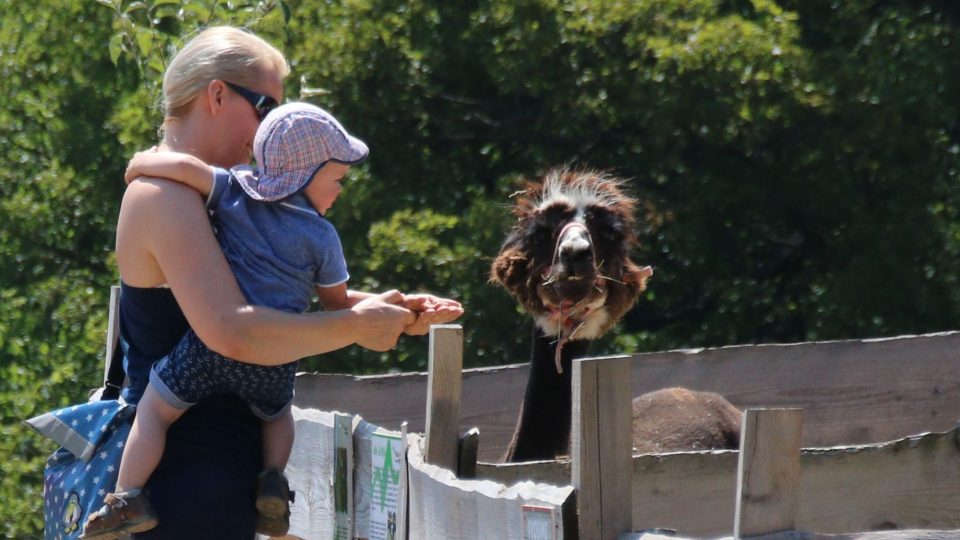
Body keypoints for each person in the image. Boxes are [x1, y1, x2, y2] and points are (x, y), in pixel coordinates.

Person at [83, 26, 461, 539]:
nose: (269, 130)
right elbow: (233, 332)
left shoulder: (225, 197)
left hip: (212, 481)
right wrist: (354, 325)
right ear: (217, 94)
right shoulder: (164, 196)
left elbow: (279, 303)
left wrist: (393, 311)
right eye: (265, 107)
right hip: (185, 488)